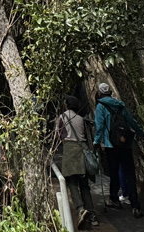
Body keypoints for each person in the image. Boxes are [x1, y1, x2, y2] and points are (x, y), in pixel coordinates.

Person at [93, 82, 144, 218]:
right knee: (130, 174)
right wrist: (140, 133)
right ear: (110, 92)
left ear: (100, 93)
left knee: (114, 173)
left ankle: (114, 199)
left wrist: (96, 142)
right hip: (126, 144)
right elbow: (131, 121)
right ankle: (135, 205)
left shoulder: (100, 106)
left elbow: (99, 126)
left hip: (111, 146)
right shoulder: (120, 105)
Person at [54, 95, 100, 228]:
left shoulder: (62, 117)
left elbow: (58, 135)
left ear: (66, 104)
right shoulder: (80, 118)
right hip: (82, 149)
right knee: (84, 184)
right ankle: (92, 214)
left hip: (70, 151)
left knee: (72, 182)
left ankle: (80, 209)